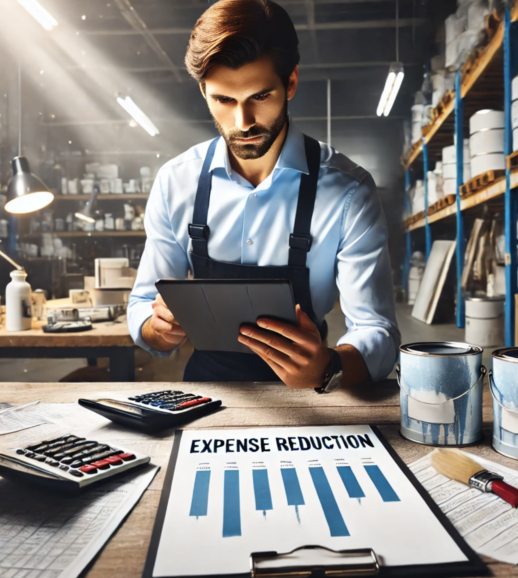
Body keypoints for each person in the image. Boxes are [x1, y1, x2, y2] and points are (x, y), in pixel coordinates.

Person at [127, 0, 399, 392]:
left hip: (311, 397)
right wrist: (158, 329)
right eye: (224, 100)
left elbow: (379, 332)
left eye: (260, 96)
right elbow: (141, 308)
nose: (243, 122)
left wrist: (329, 368)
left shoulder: (348, 192)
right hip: (206, 394)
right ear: (204, 91)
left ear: (290, 83)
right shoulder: (176, 182)